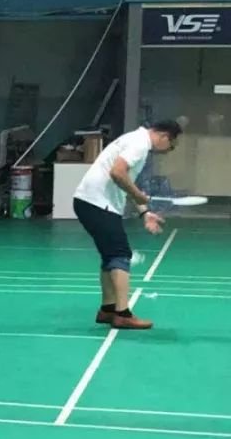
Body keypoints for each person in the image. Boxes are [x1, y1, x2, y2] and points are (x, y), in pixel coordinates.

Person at [72, 119, 182, 329]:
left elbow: (126, 181)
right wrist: (138, 195)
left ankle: (108, 309)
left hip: (89, 202)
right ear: (165, 136)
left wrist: (145, 212)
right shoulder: (140, 144)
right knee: (120, 255)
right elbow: (117, 172)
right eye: (171, 145)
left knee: (110, 256)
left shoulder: (134, 140)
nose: (168, 150)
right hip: (98, 203)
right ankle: (123, 314)